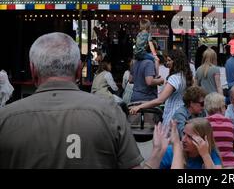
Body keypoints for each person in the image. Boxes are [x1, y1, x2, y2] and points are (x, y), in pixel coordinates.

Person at [0, 32, 142, 168]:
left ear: (33, 70)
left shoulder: (5, 119)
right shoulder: (111, 113)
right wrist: (154, 159)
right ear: (79, 70)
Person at [129, 49, 193, 125]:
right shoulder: (185, 76)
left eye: (169, 60)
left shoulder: (174, 78)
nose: (167, 63)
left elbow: (160, 100)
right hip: (183, 114)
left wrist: (139, 107)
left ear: (176, 62)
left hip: (172, 115)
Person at [148, 118, 222, 169]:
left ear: (203, 140)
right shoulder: (170, 151)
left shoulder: (210, 153)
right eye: (183, 134)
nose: (183, 139)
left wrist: (205, 155)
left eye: (190, 137)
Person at [204, 92, 234, 168]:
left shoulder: (204, 123)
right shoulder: (230, 123)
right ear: (221, 107)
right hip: (230, 163)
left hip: (212, 163)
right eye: (224, 106)